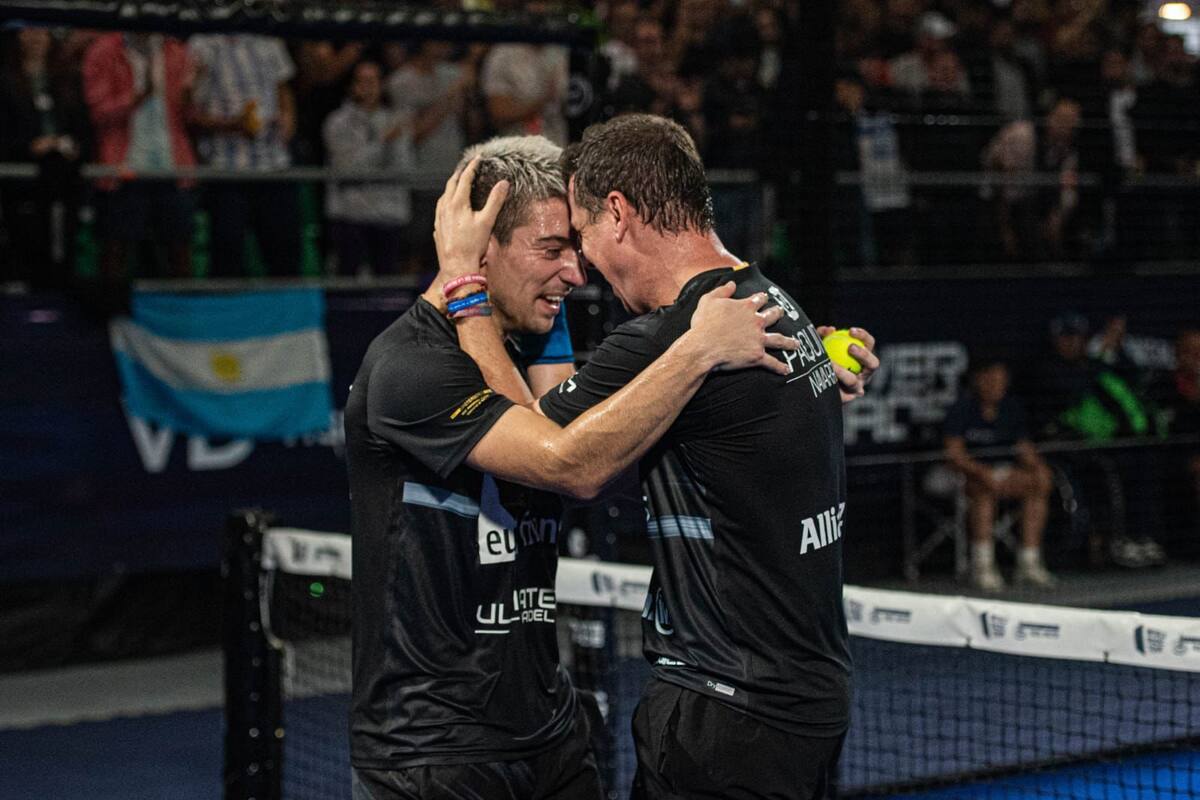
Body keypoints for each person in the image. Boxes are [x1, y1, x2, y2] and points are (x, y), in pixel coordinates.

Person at [346, 137, 801, 800]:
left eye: (576, 248)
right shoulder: (410, 369)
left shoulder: (522, 347)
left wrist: (808, 366)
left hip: (549, 740)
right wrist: (700, 349)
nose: (577, 272)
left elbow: (599, 420)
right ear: (480, 248)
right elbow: (568, 462)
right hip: (433, 756)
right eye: (551, 249)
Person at [458, 114, 880, 799]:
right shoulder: (777, 304)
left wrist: (464, 290)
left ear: (618, 214)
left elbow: (536, 445)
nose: (582, 265)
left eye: (584, 235)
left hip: (725, 718)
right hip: (809, 703)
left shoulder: (671, 337)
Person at [81, 31, 197, 282]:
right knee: (115, 255)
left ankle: (183, 317)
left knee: (180, 254)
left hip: (171, 168)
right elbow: (98, 112)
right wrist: (135, 98)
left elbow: (189, 115)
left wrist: (194, 96)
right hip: (123, 170)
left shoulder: (177, 52)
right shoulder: (104, 50)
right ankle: (109, 316)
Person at [188, 33, 300, 277]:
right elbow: (190, 112)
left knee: (285, 253)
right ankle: (227, 312)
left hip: (273, 165)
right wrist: (231, 125)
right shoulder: (202, 45)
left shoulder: (269, 39)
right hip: (226, 169)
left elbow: (284, 90)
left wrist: (288, 119)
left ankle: (287, 313)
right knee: (228, 255)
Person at [943, 357, 1057, 591]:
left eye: (1001, 380)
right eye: (992, 380)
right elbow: (954, 455)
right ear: (979, 380)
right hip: (960, 474)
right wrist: (981, 472)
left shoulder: (1011, 408)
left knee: (1038, 485)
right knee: (982, 491)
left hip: (1000, 472)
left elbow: (1024, 450)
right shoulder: (962, 407)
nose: (997, 386)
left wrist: (1039, 469)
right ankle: (982, 565)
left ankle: (1029, 561)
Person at [322, 61, 411, 277]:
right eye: (362, 81)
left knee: (387, 286)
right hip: (351, 214)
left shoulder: (396, 120)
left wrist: (392, 143)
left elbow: (404, 167)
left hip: (388, 214)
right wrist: (383, 143)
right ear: (352, 86)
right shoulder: (337, 123)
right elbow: (347, 168)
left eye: (374, 81)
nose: (369, 87)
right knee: (349, 285)